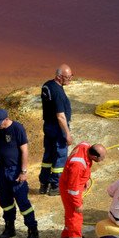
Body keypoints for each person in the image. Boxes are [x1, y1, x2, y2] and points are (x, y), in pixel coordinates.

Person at [0, 108, 39, 238]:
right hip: (2, 170)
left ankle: (33, 232)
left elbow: (24, 150)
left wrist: (23, 171)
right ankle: (9, 228)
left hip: (15, 171)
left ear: (6, 119)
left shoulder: (17, 128)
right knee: (5, 202)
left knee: (23, 203)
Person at [59, 142, 107, 238]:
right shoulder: (78, 166)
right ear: (94, 156)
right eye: (102, 157)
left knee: (70, 213)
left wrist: (84, 180)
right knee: (76, 216)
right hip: (70, 190)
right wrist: (77, 204)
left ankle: (67, 235)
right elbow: (73, 189)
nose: (103, 159)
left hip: (68, 183)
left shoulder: (84, 146)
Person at [39, 64, 74, 195]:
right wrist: (67, 134)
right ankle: (55, 186)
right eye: (68, 77)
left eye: (71, 76)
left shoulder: (47, 85)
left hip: (48, 126)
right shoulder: (58, 92)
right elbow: (60, 116)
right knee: (60, 156)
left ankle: (44, 183)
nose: (70, 79)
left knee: (48, 155)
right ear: (59, 77)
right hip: (58, 128)